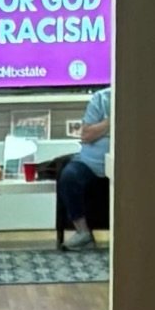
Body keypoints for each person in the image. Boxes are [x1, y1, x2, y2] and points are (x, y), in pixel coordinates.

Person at [57, 86, 110, 250]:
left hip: (125, 166)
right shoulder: (101, 98)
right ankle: (83, 233)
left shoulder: (139, 103)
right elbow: (86, 135)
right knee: (69, 175)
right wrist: (112, 121)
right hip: (91, 164)